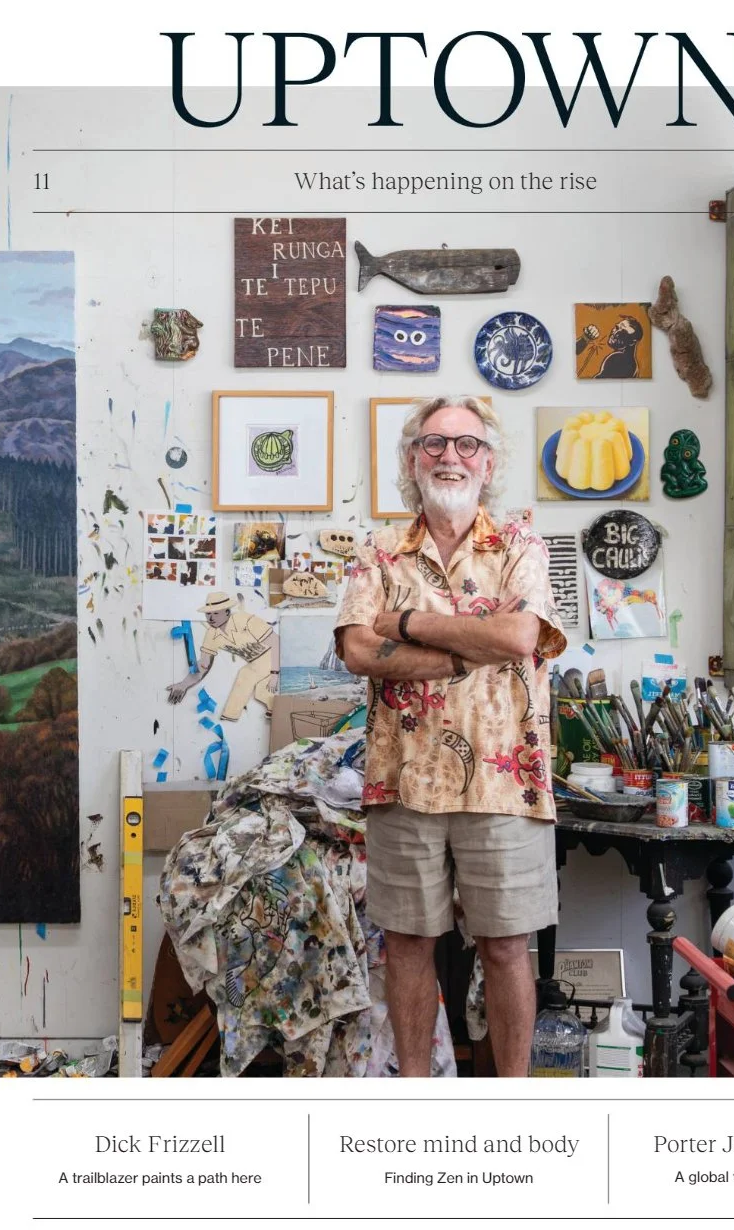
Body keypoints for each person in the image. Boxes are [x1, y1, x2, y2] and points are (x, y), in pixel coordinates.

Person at [335, 396, 566, 1076]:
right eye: (433, 444)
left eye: (466, 445)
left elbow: (521, 635)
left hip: (505, 783)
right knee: (406, 944)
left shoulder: (520, 546)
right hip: (401, 781)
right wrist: (471, 651)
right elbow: (354, 649)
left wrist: (403, 625)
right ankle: (415, 1093)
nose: (449, 457)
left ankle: (511, 1100)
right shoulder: (376, 551)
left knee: (504, 948)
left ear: (488, 462)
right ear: (410, 460)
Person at [166, 591, 279, 720]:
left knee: (252, 682)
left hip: (274, 654)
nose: (211, 618)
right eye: (208, 613)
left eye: (216, 613)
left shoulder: (245, 620)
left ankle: (234, 715)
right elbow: (203, 665)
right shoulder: (212, 634)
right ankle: (238, 715)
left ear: (227, 611)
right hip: (255, 662)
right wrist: (183, 685)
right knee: (253, 685)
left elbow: (276, 643)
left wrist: (274, 674)